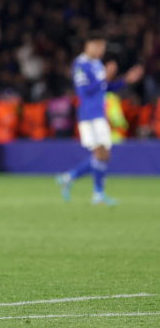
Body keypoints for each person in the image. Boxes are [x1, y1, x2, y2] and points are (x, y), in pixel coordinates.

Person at [56, 32, 143, 205]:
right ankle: (96, 193)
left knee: (103, 155)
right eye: (100, 46)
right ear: (90, 45)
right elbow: (84, 91)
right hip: (88, 114)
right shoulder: (80, 64)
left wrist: (126, 79)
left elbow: (105, 88)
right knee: (101, 153)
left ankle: (69, 178)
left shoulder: (96, 64)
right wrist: (105, 76)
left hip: (98, 112)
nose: (102, 51)